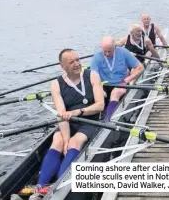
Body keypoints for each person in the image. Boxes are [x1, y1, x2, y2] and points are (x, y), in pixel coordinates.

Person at [18, 49, 105, 198]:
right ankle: (41, 187)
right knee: (58, 141)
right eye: (72, 62)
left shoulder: (92, 76)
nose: (77, 64)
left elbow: (100, 105)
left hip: (90, 119)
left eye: (78, 59)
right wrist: (65, 140)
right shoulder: (56, 84)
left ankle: (57, 186)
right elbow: (61, 114)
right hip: (68, 121)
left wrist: (79, 112)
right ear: (62, 66)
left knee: (75, 142)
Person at [91, 36, 144, 122]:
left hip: (120, 83)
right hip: (104, 84)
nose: (107, 54)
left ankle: (107, 118)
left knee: (115, 93)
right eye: (105, 51)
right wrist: (97, 88)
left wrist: (127, 80)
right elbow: (93, 76)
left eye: (109, 51)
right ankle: (97, 113)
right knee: (98, 93)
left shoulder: (123, 52)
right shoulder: (97, 56)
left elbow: (140, 67)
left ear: (115, 47)